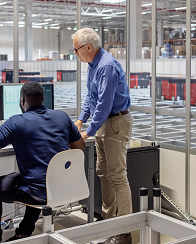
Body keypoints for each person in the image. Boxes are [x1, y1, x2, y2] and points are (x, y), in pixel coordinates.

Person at [0, 81, 85, 244]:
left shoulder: (16, 122)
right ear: (43, 98)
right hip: (65, 187)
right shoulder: (62, 117)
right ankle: (23, 233)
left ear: (22, 101)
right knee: (32, 178)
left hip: (39, 192)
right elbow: (80, 147)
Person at [72, 28, 133, 244]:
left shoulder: (106, 66)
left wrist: (88, 131)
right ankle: (110, 222)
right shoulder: (93, 65)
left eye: (76, 50)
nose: (75, 54)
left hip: (115, 122)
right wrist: (80, 119)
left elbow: (104, 103)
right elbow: (91, 94)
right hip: (105, 123)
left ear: (88, 47)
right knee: (103, 172)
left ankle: (124, 231)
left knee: (116, 175)